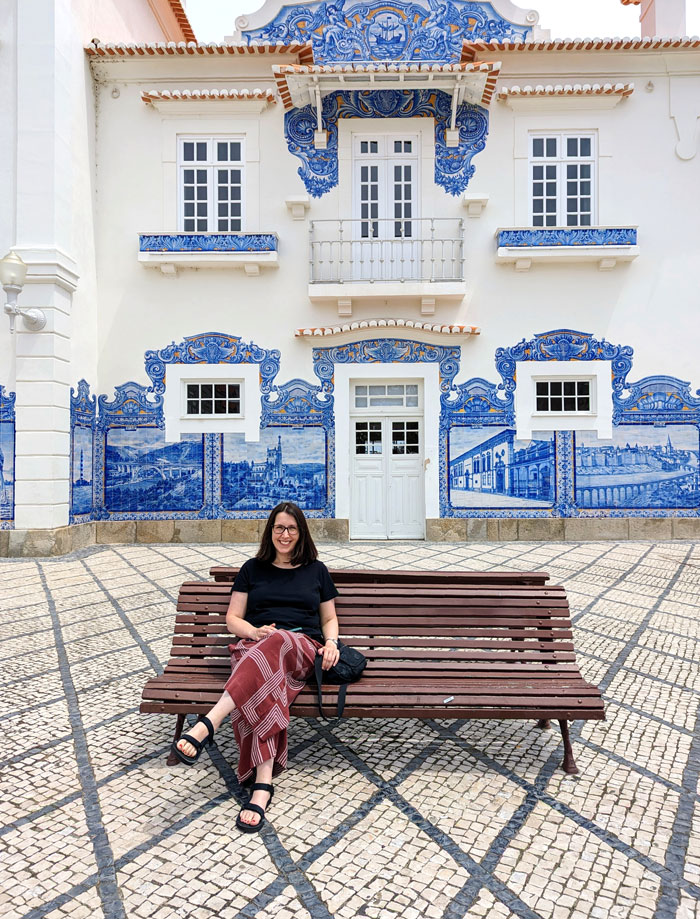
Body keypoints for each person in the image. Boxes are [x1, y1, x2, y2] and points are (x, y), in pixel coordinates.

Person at [171, 501, 341, 833]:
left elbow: (330, 618)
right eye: (279, 528)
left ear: (301, 532)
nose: (285, 534)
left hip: (300, 648)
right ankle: (262, 785)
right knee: (265, 677)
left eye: (292, 528)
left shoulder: (316, 570)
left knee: (278, 643)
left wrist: (331, 642)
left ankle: (209, 722)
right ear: (270, 531)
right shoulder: (252, 568)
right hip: (255, 647)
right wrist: (254, 632)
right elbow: (233, 619)